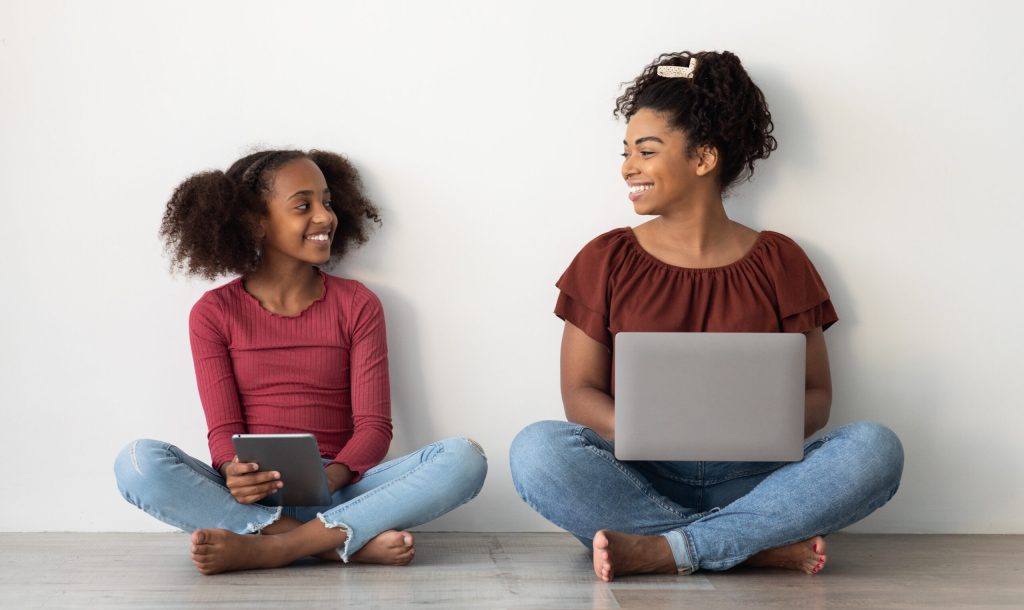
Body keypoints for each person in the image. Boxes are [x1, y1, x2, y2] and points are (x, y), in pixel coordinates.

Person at [509, 51, 903, 581]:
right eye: (625, 152)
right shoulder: (605, 258)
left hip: (759, 479)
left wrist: (754, 425)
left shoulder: (780, 259)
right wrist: (642, 428)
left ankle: (668, 548)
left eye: (646, 151)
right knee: (537, 450)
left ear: (703, 159)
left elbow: (817, 396)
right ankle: (744, 544)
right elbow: (579, 393)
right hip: (640, 477)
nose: (627, 167)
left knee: (876, 449)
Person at [114, 149, 487, 575]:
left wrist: (333, 476)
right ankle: (331, 544)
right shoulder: (213, 313)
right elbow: (222, 430)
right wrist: (231, 470)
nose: (325, 217)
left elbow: (374, 428)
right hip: (253, 495)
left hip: (343, 491)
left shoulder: (357, 304)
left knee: (464, 459)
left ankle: (270, 547)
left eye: (327, 202)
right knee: (137, 463)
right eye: (303, 206)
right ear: (255, 220)